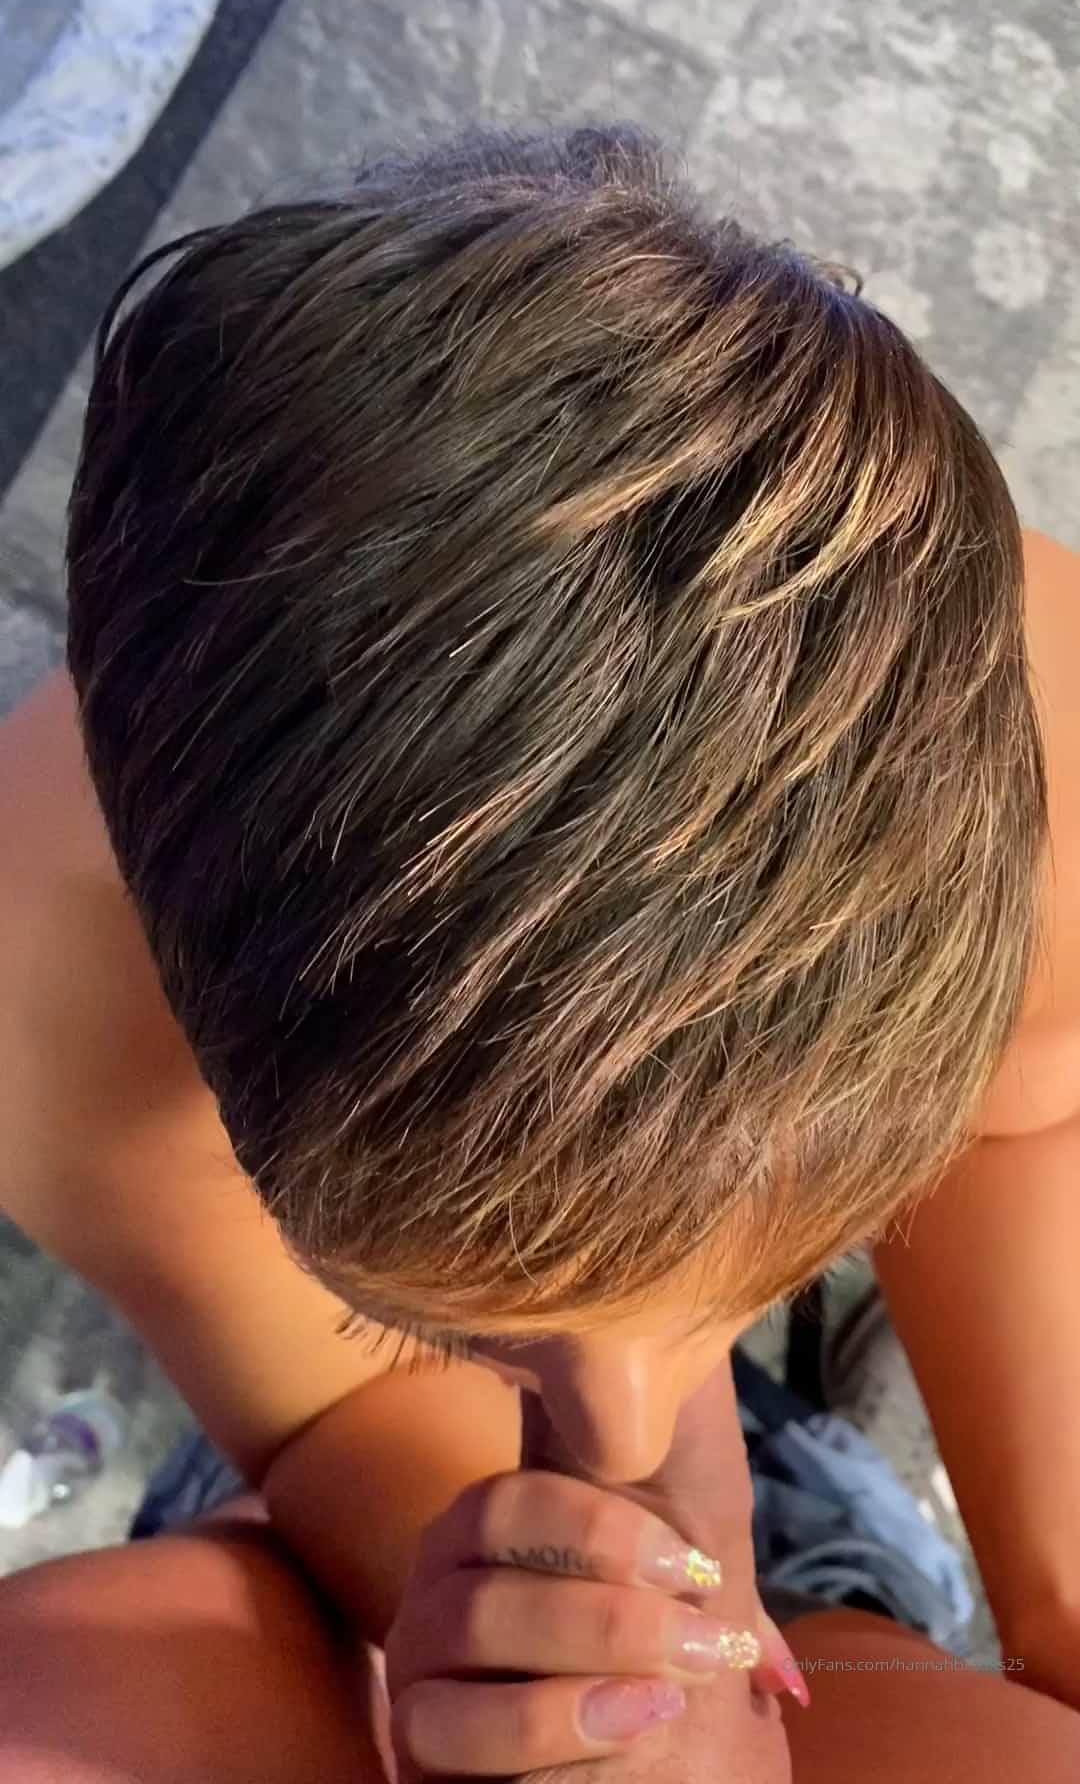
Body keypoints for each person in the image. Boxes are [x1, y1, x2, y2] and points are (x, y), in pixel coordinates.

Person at [0, 125, 1077, 1774]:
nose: (633, 1429)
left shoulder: (1032, 727)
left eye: (811, 1238)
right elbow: (324, 1406)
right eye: (431, 1312)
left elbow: (1035, 1104)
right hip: (381, 1515)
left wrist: (1056, 1608)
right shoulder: (46, 984)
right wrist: (536, 1647)